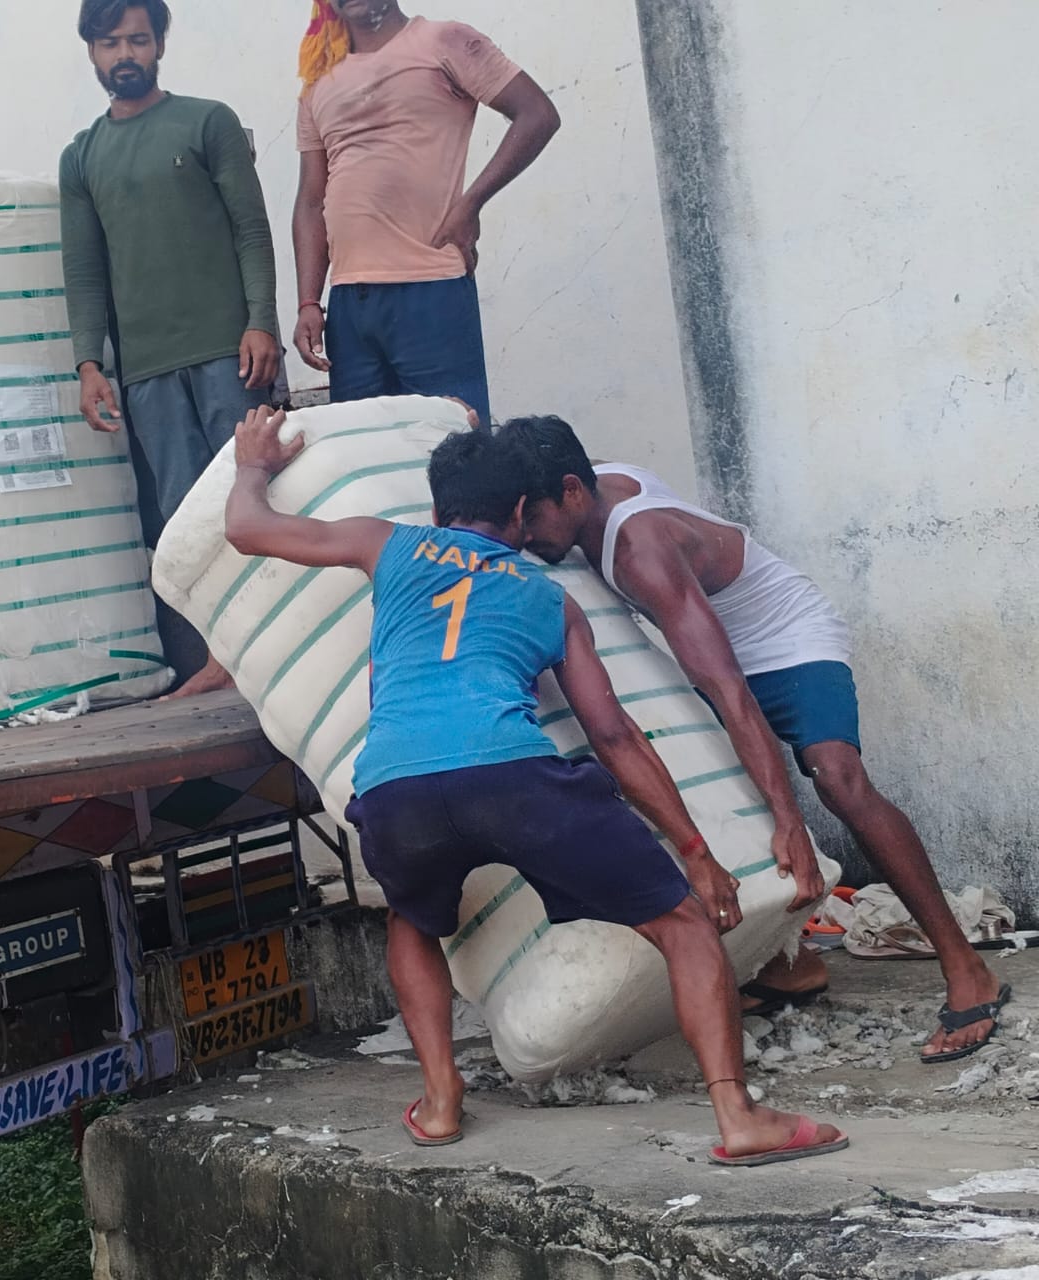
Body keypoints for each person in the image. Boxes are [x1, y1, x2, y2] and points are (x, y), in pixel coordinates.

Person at [223, 404, 847, 1165]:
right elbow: (612, 737)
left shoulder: (384, 543)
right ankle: (738, 1116)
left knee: (413, 921)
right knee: (684, 927)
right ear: (520, 511)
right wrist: (696, 851)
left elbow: (246, 529)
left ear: (436, 509)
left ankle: (441, 1101)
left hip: (395, 787)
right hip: (514, 778)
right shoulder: (551, 599)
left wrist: (252, 466)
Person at [499, 414, 1011, 1064]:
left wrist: (791, 821)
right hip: (720, 655)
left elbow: (732, 691)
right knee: (714, 798)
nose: (525, 535)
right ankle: (791, 968)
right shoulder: (581, 478)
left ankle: (966, 968)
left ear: (572, 491)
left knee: (838, 780)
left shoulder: (639, 551)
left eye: (532, 519)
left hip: (787, 640)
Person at [60, 0, 279, 694]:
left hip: (229, 355)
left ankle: (286, 647)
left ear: (159, 44)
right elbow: (84, 270)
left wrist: (262, 321)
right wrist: (88, 363)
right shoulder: (81, 157)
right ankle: (225, 659)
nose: (124, 54)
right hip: (148, 372)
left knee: (260, 497)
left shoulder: (207, 122)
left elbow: (251, 229)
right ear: (91, 52)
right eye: (110, 43)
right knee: (192, 520)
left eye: (137, 40)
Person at [291, 1, 561, 426]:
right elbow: (310, 200)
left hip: (430, 287)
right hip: (349, 304)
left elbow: (538, 115)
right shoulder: (317, 82)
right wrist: (309, 301)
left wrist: (471, 204)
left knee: (453, 445)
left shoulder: (443, 41)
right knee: (365, 450)